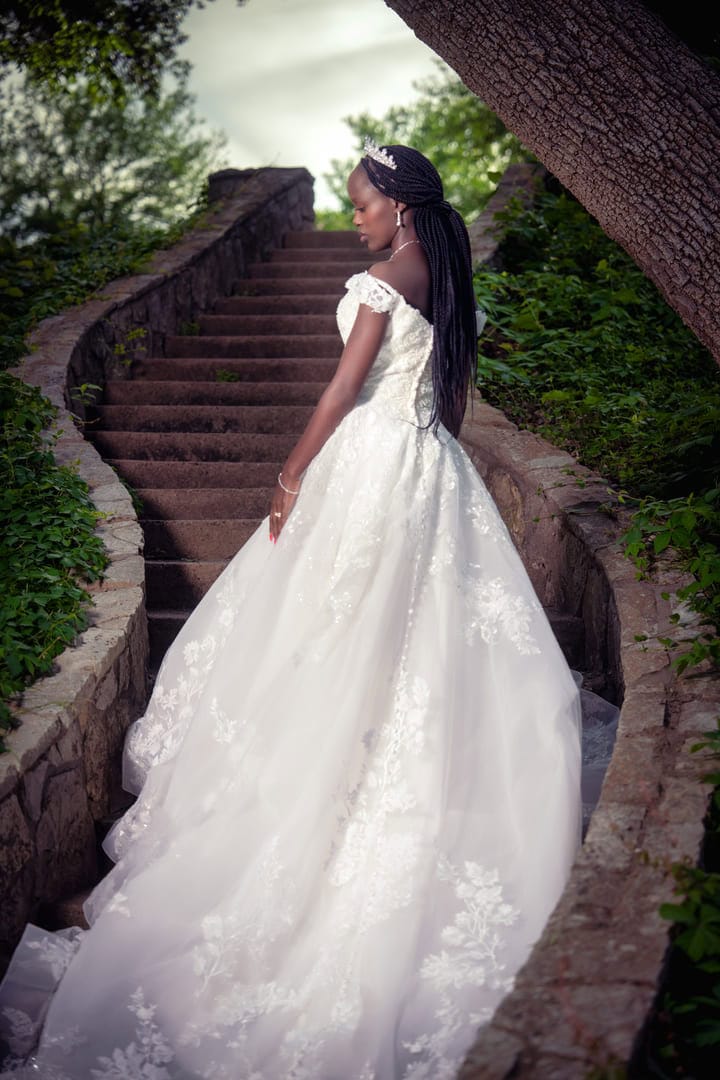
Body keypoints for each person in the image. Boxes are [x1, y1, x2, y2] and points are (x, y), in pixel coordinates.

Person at [0, 140, 582, 1079]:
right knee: (410, 635)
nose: (354, 219)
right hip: (432, 466)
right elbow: (443, 394)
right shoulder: (445, 275)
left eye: (361, 204)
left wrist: (290, 472)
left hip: (373, 470)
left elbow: (344, 390)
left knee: (334, 632)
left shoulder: (383, 283)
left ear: (396, 203)